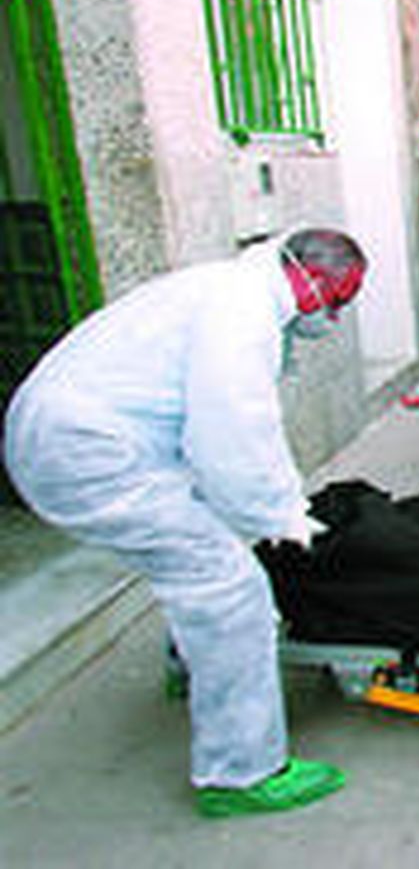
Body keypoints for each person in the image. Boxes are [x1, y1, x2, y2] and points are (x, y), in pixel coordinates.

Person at [3, 228, 366, 817]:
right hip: (84, 451)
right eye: (339, 299)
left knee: (201, 548)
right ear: (313, 279)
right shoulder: (242, 314)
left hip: (81, 431)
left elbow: (213, 439)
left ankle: (193, 666)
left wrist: (259, 508)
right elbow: (236, 429)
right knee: (229, 586)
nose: (336, 315)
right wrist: (280, 512)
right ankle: (240, 772)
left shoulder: (232, 286)